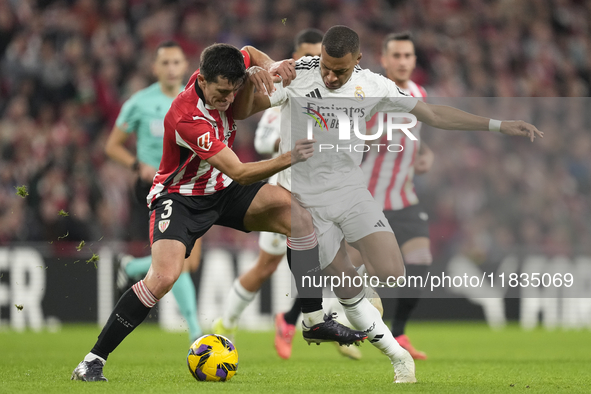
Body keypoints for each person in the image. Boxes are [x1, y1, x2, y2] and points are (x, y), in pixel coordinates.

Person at [239, 25, 542, 383]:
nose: (332, 76)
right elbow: (245, 108)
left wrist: (498, 125)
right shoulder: (298, 74)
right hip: (304, 203)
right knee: (348, 286)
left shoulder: (374, 86)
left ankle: (350, 307)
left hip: (351, 192)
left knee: (394, 277)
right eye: (326, 67)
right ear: (318, 57)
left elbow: (434, 115)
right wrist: (253, 74)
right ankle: (399, 359)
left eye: (342, 70)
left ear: (359, 61)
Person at [71, 43, 367, 382]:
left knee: (300, 218)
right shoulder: (186, 116)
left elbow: (249, 51)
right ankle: (93, 360)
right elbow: (240, 172)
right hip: (180, 198)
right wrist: (289, 157)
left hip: (221, 188)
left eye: (232, 91)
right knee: (163, 278)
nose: (226, 100)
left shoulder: (227, 69)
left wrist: (269, 66)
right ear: (202, 80)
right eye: (220, 92)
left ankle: (313, 321)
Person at [212, 28, 326, 360]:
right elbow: (261, 141)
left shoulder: (325, 93)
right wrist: (288, 144)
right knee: (266, 265)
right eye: (305, 54)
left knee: (325, 254)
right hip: (285, 190)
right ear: (294, 55)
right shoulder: (283, 93)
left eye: (317, 56)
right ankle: (228, 322)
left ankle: (301, 319)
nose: (311, 61)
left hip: (316, 194)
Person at [104, 41, 203, 343]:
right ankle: (196, 332)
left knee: (190, 261)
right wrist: (138, 165)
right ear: (155, 68)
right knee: (181, 260)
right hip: (156, 186)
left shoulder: (197, 100)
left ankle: (132, 266)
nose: (171, 69)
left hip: (191, 184)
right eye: (165, 63)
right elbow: (111, 146)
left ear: (185, 67)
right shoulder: (140, 102)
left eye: (176, 63)